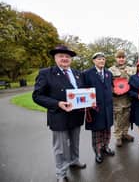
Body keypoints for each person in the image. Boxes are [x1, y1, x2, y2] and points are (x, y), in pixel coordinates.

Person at [32, 45, 86, 182]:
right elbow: (37, 96)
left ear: (71, 59)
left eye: (67, 56)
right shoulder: (46, 73)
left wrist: (87, 102)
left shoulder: (77, 73)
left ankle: (74, 160)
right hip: (59, 116)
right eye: (61, 56)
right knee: (60, 147)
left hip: (76, 115)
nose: (64, 58)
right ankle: (61, 173)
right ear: (55, 58)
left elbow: (82, 93)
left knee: (75, 141)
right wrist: (58, 104)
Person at [83, 52, 115, 164]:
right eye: (99, 59)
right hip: (95, 108)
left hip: (108, 107)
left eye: (103, 59)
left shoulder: (109, 73)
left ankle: (105, 147)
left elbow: (111, 88)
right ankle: (98, 152)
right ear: (94, 61)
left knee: (107, 129)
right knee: (97, 131)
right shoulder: (87, 74)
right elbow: (83, 90)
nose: (101, 61)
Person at [109, 50, 135, 147]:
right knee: (118, 118)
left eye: (123, 57)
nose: (121, 59)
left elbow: (135, 81)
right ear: (116, 58)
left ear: (125, 58)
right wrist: (113, 91)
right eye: (119, 57)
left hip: (128, 98)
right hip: (117, 99)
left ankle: (125, 133)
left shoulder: (131, 69)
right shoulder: (111, 70)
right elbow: (108, 84)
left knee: (126, 117)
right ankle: (118, 136)